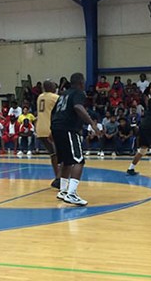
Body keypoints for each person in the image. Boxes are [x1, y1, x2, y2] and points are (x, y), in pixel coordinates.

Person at [51, 72, 101, 206]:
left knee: (66, 162)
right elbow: (78, 107)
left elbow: (54, 112)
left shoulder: (62, 95)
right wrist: (92, 124)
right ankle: (71, 194)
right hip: (68, 129)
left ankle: (62, 191)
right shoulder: (78, 93)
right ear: (80, 83)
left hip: (57, 128)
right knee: (79, 160)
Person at [35, 80, 61, 188]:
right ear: (51, 87)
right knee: (62, 154)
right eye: (54, 85)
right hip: (51, 129)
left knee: (53, 155)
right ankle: (60, 179)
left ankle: (57, 178)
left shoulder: (40, 97)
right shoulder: (55, 97)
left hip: (40, 129)